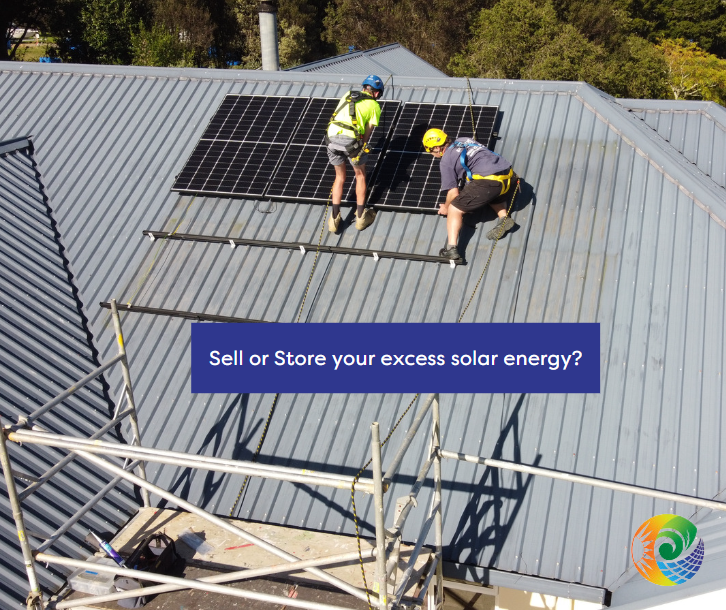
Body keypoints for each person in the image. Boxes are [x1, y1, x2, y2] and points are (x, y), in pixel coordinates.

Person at [422, 128, 516, 260]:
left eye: (430, 150)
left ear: (437, 148)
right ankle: (504, 218)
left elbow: (453, 193)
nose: (432, 154)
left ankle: (451, 249)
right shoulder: (463, 140)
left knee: (454, 208)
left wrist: (446, 207)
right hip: (509, 177)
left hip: (489, 182)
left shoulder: (446, 161)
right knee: (488, 191)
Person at [326, 75, 384, 233]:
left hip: (330, 138)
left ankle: (334, 219)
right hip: (351, 140)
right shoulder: (374, 106)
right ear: (377, 93)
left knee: (339, 177)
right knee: (360, 175)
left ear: (364, 87)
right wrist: (361, 146)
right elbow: (367, 133)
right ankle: (360, 217)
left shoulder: (347, 94)